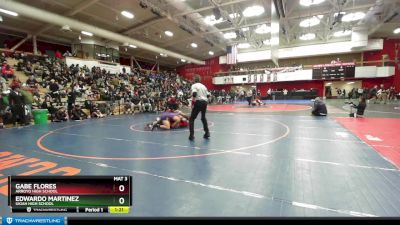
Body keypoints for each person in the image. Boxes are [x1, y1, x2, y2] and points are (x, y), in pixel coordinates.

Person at [189, 75, 210, 141]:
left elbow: (194, 94)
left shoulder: (194, 85)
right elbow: (208, 95)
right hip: (204, 102)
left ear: (194, 80)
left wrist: (193, 103)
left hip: (199, 102)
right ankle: (207, 133)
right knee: (203, 118)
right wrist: (205, 101)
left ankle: (191, 135)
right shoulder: (204, 86)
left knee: (191, 119)